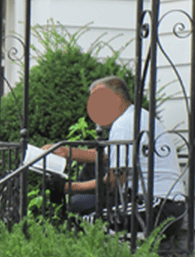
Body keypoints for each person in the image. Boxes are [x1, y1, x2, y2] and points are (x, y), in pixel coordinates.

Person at [43, 75, 185, 231]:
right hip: (166, 204)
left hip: (158, 206)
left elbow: (114, 181)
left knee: (84, 223)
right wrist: (65, 151)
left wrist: (68, 187)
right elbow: (105, 156)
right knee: (83, 199)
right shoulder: (136, 116)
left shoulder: (124, 125)